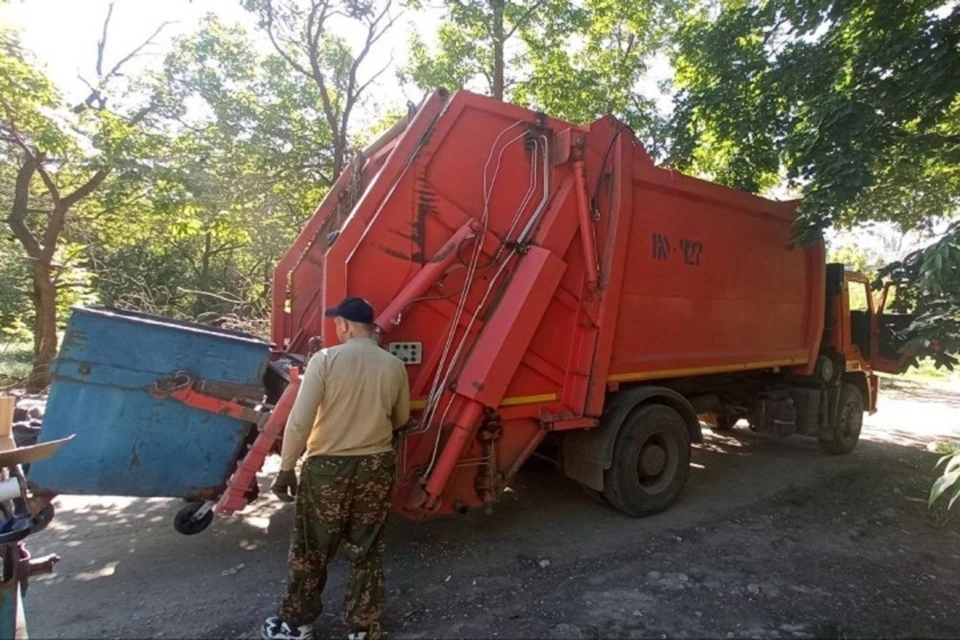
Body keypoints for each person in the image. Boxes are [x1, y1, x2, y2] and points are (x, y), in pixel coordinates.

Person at [262, 296, 411, 640]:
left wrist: (286, 468)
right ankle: (363, 628)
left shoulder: (325, 360)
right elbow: (401, 419)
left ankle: (298, 625)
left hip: (327, 468)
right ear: (370, 327)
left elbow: (300, 421)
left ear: (343, 325)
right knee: (366, 549)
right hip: (376, 465)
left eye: (337, 324)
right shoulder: (393, 365)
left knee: (312, 547)